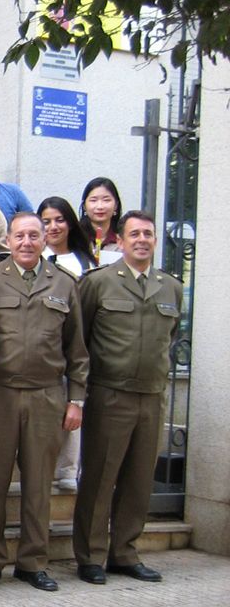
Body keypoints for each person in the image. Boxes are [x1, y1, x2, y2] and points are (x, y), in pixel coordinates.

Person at [0, 212, 88, 593]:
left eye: (33, 235)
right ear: (8, 240)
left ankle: (33, 562)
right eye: (19, 236)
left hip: (46, 395)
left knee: (39, 483)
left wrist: (76, 400)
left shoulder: (65, 284)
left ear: (45, 239)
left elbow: (78, 350)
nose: (26, 242)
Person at [73, 211, 182, 586]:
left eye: (148, 234)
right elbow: (79, 338)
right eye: (134, 234)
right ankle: (89, 555)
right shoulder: (99, 283)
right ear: (119, 240)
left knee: (138, 481)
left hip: (152, 396)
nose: (142, 240)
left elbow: (169, 338)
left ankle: (124, 552)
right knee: (100, 478)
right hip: (109, 394)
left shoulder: (171, 287)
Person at [38, 197, 103, 492]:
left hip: (78, 342)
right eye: (47, 220)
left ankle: (68, 467)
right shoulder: (32, 258)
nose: (53, 226)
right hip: (42, 347)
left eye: (59, 219)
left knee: (72, 402)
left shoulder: (85, 262)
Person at [78, 176, 124, 261]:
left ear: (116, 205)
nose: (100, 206)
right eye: (93, 200)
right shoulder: (75, 237)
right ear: (84, 206)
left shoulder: (124, 240)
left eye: (106, 200)